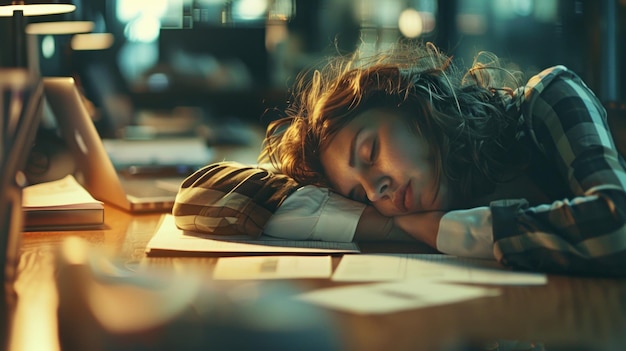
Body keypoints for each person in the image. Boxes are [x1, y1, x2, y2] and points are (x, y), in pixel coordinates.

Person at [173, 40, 626, 277]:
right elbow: (202, 198)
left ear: (413, 105)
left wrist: (453, 232)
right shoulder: (409, 206)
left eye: (369, 152)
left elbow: (616, 227)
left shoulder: (547, 99)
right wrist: (390, 226)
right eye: (358, 193)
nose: (377, 190)